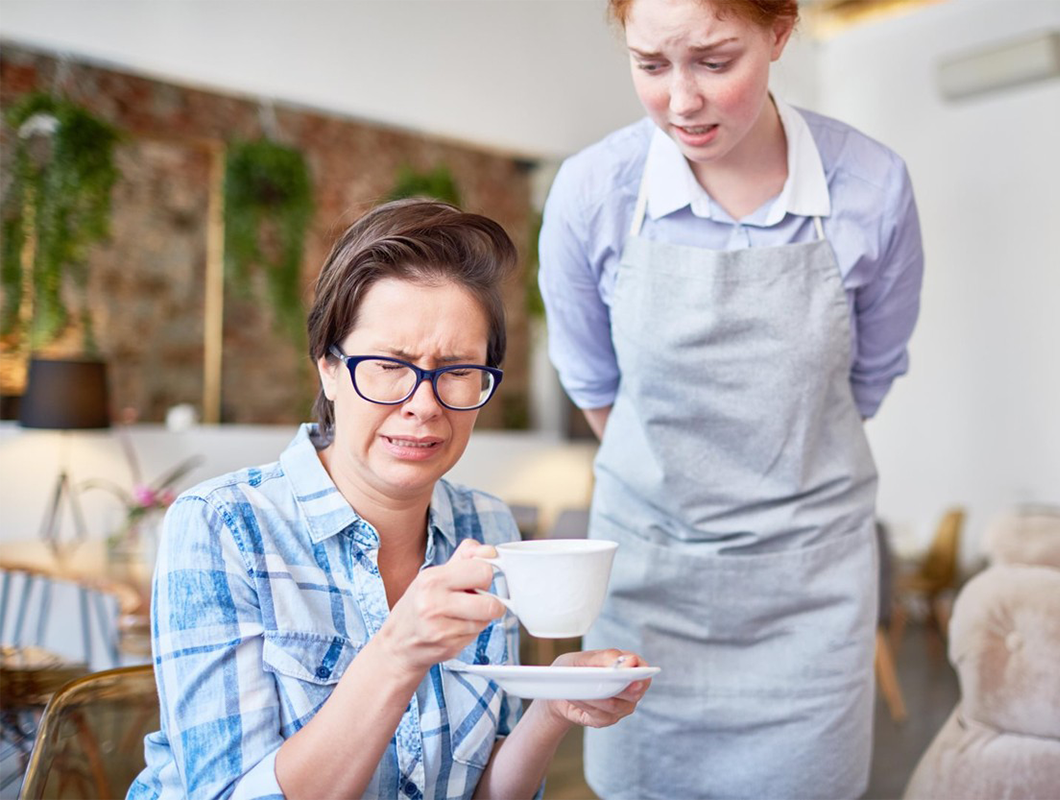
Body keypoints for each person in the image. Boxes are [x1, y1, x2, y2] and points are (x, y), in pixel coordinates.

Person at [129, 199, 650, 800]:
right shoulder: (223, 526)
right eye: (388, 365)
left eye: (457, 370)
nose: (424, 404)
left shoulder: (486, 524)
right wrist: (397, 654)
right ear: (328, 366)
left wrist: (554, 709)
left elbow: (479, 791)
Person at [537, 0, 924, 797]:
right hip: (650, 583)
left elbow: (872, 374)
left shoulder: (872, 187)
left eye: (715, 62)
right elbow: (595, 388)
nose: (682, 100)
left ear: (780, 32)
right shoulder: (591, 195)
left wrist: (783, 460)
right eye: (650, 65)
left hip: (809, 595)